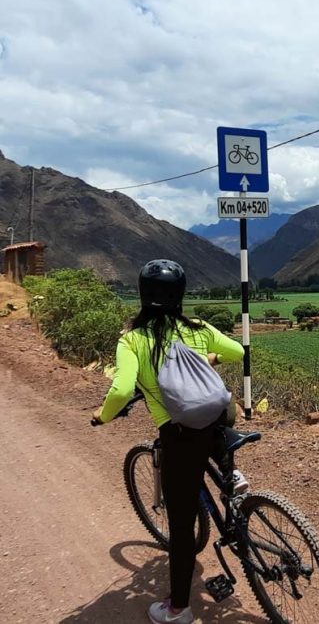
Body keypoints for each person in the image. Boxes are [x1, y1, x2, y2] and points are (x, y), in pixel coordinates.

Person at [92, 259, 244, 624]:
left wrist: (103, 415)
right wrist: (206, 357)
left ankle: (179, 609)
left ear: (144, 296)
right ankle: (231, 475)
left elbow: (123, 389)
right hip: (218, 420)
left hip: (179, 434)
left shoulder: (132, 340)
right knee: (218, 415)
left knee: (180, 525)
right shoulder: (199, 328)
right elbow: (237, 352)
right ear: (181, 295)